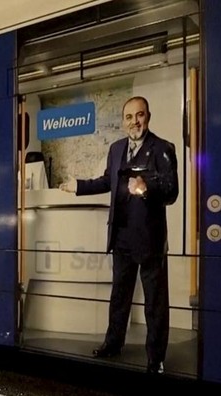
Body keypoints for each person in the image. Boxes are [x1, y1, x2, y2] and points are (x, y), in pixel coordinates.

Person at [59, 96, 178, 374]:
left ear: (148, 116)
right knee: (119, 296)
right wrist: (77, 186)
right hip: (121, 236)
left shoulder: (162, 148)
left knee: (155, 303)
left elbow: (171, 191)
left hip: (149, 239)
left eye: (140, 115)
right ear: (123, 120)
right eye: (129, 117)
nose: (134, 121)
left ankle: (155, 358)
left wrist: (146, 186)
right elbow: (106, 181)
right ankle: (113, 344)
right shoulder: (116, 149)